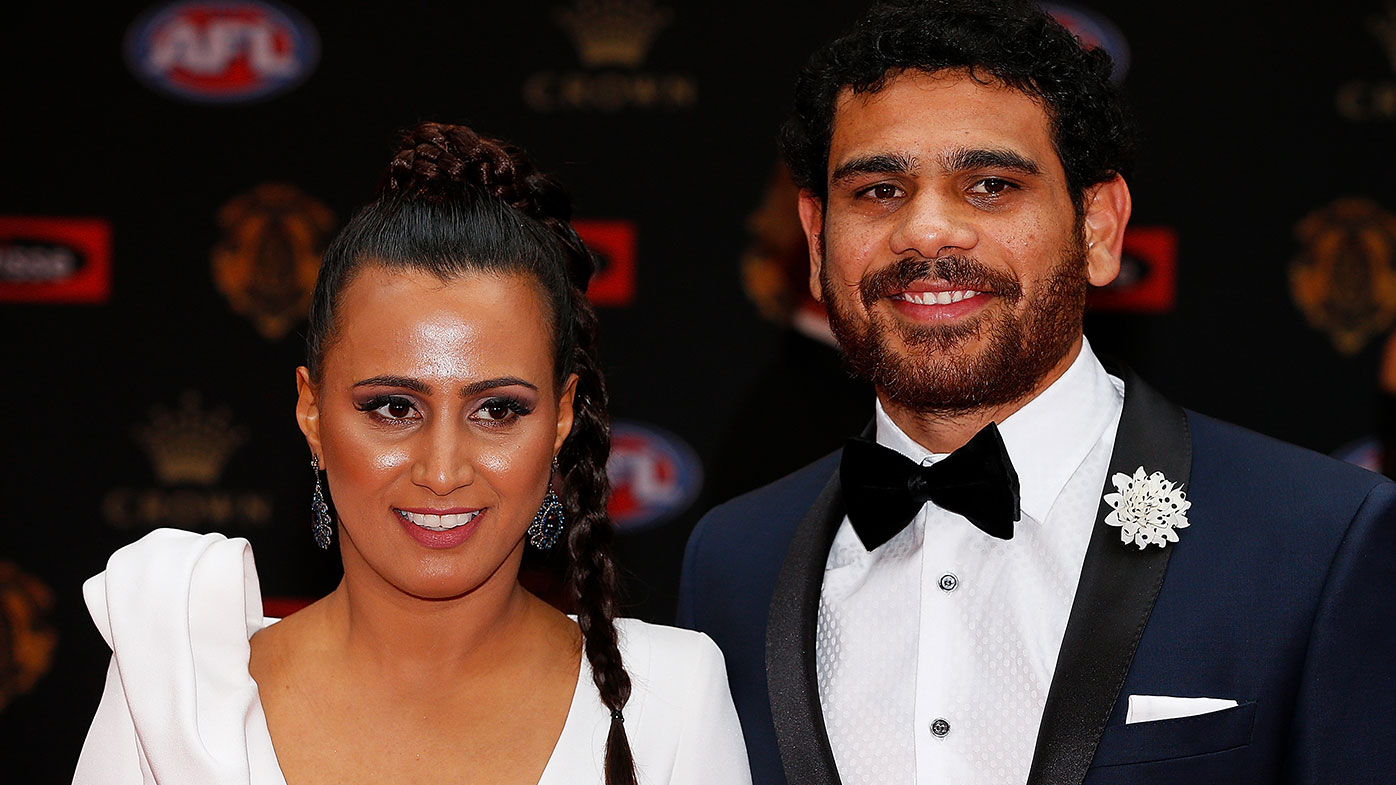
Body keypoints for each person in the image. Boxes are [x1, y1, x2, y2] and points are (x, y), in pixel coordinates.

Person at [677, 2, 1396, 785]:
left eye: (989, 184)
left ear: (1097, 228)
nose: (926, 232)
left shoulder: (1320, 540)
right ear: (816, 241)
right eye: (879, 191)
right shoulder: (732, 561)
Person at [74, 122, 752, 785]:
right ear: (311, 411)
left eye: (497, 409)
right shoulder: (174, 691)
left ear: (561, 418)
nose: (443, 470)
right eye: (394, 408)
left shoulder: (673, 699)